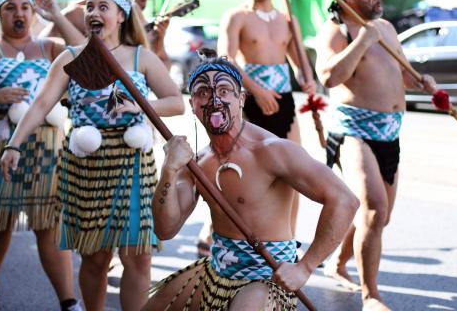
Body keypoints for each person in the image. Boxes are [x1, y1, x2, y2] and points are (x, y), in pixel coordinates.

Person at [0, 0, 184, 310]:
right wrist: (13, 143)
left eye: (103, 7)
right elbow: (42, 104)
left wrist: (143, 105)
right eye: (89, 7)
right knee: (96, 259)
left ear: (122, 16)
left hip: (132, 163)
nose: (93, 12)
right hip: (86, 165)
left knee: (139, 257)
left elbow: (176, 102)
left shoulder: (141, 56)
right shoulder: (71, 56)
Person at [143, 50, 359, 310]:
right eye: (203, 92)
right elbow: (165, 229)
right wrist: (169, 169)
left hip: (265, 278)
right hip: (216, 270)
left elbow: (345, 200)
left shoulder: (272, 150)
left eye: (224, 90)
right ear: (193, 105)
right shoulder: (195, 163)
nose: (213, 98)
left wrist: (305, 267)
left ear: (241, 99)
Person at [315, 0, 437, 309]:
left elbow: (403, 72)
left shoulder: (385, 27)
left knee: (379, 218)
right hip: (353, 130)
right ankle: (372, 295)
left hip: (390, 131)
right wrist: (361, 42)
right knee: (374, 209)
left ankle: (337, 263)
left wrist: (421, 80)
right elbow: (328, 77)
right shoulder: (336, 29)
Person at [0, 0, 84, 310]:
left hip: (46, 148)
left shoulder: (49, 46)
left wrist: (58, 16)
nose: (19, 13)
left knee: (48, 223)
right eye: (10, 8)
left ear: (33, 14)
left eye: (25, 7)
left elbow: (87, 55)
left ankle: (68, 301)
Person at [216, 0, 317, 245]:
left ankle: (288, 239)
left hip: (284, 100)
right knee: (247, 172)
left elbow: (296, 59)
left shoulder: (287, 19)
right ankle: (220, 230)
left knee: (295, 170)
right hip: (250, 101)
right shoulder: (236, 16)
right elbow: (226, 59)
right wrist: (257, 91)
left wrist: (307, 78)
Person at [39, 0, 171, 68]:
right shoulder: (74, 14)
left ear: (121, 16)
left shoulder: (135, 14)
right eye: (90, 8)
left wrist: (159, 42)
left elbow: (162, 70)